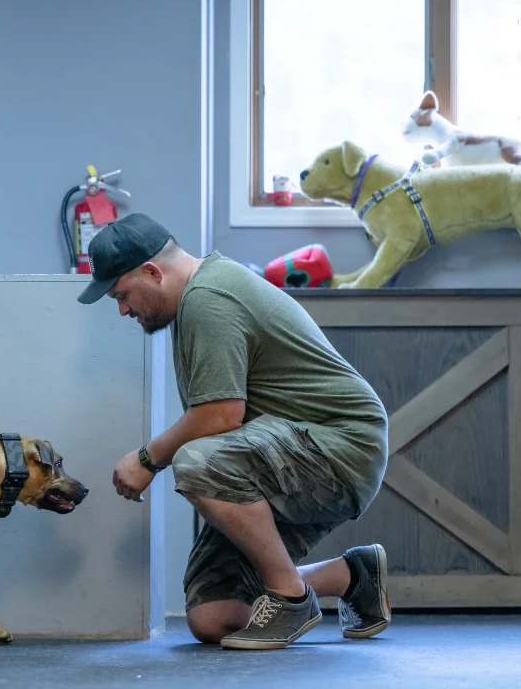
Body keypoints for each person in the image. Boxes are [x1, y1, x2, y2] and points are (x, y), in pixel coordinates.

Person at [77, 213, 391, 650]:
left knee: (194, 460)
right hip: (290, 449)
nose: (123, 309)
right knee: (215, 617)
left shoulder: (208, 299)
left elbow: (221, 416)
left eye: (123, 295)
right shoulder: (194, 299)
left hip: (340, 447)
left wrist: (147, 459)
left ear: (153, 272)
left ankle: (290, 597)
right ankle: (350, 575)